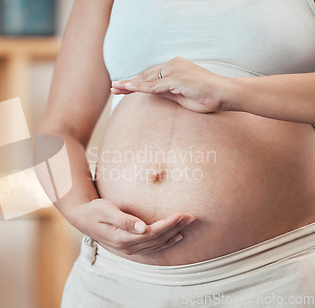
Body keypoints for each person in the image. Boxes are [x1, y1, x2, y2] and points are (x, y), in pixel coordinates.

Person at [38, 0, 315, 306]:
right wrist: (78, 209)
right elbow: (59, 129)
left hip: (270, 274)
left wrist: (230, 91)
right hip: (113, 280)